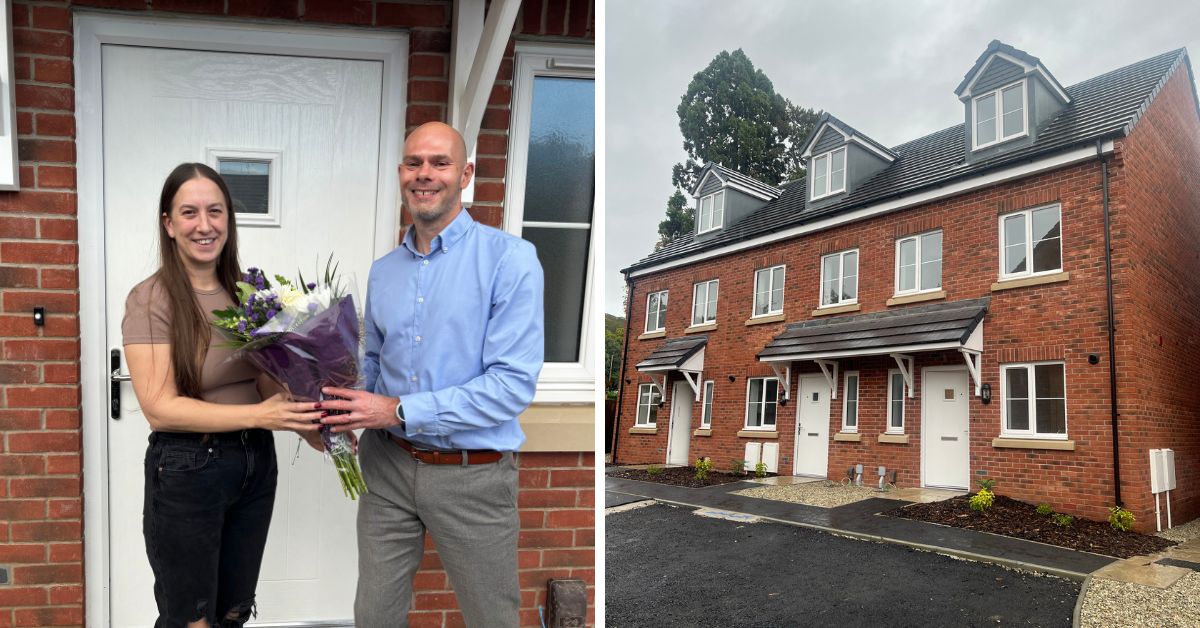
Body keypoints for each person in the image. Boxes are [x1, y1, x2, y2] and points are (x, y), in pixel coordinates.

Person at [319, 122, 544, 627]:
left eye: (439, 163)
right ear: (401, 172)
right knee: (373, 615)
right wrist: (340, 411)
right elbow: (374, 364)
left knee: (492, 618)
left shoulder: (510, 260)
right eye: (414, 163)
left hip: (474, 475)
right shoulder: (384, 271)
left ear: (465, 174)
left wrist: (395, 409)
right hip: (389, 466)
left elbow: (510, 387)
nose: (425, 174)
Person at [122, 163, 325, 627]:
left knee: (233, 612)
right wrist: (262, 415)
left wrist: (309, 417)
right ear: (168, 224)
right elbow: (159, 408)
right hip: (189, 470)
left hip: (254, 464)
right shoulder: (150, 300)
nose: (205, 224)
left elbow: (262, 378)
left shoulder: (246, 296)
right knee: (191, 619)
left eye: (215, 211)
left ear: (228, 221)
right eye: (189, 212)